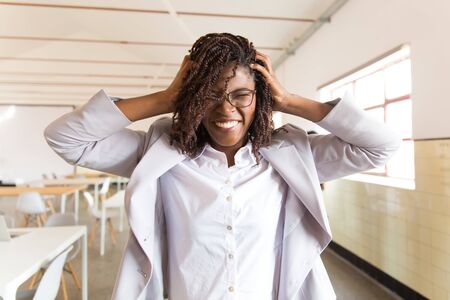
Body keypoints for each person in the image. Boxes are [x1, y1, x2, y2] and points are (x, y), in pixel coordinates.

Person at [44, 32, 401, 300]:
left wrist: (289, 101)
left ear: (260, 98)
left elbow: (381, 145)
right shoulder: (160, 156)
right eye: (210, 95)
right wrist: (166, 99)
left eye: (241, 95)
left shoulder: (292, 157)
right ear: (194, 99)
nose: (225, 109)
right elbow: (65, 138)